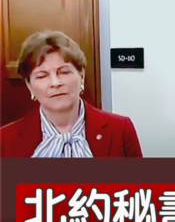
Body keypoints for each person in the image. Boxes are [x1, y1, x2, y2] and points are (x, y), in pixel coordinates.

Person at [0, 31, 143, 157]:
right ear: (29, 85)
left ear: (81, 76)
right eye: (42, 76)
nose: (55, 82)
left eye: (64, 72)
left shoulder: (120, 130)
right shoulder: (5, 139)